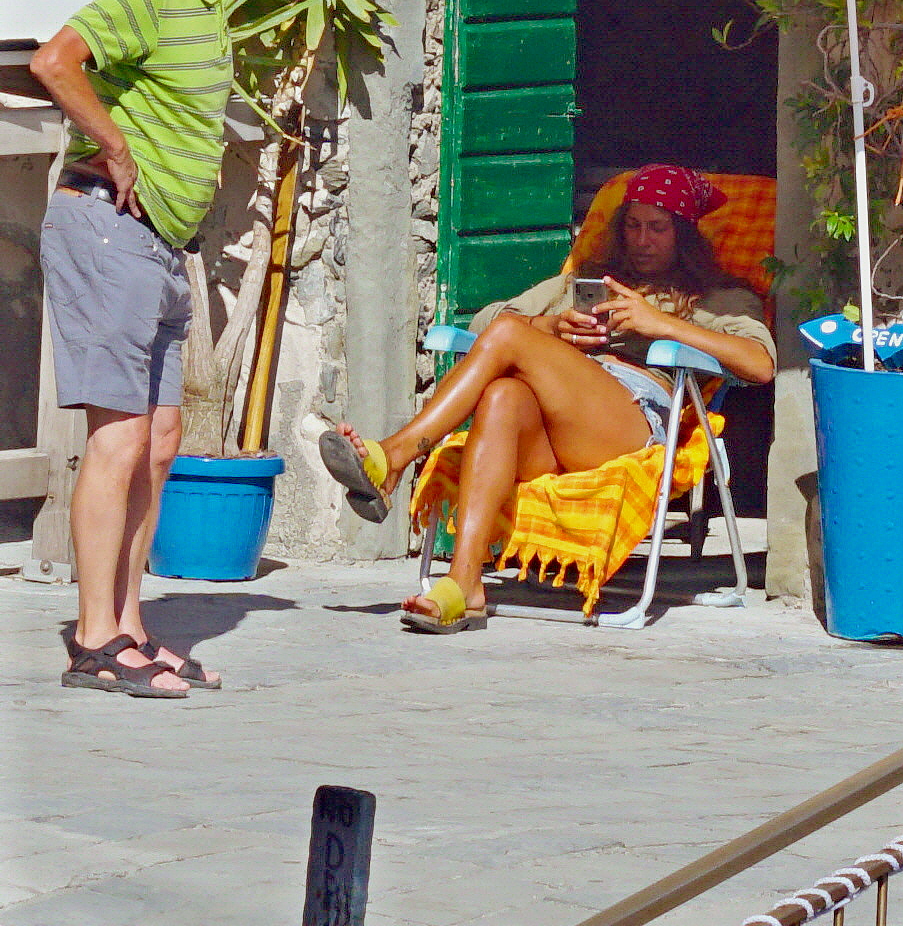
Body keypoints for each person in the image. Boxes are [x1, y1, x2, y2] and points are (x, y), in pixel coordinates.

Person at [32, 0, 289, 697]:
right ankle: (94, 639)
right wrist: (112, 144)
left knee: (162, 442)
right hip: (108, 228)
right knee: (120, 439)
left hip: (160, 245)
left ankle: (132, 624)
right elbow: (54, 60)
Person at [320, 163, 775, 634]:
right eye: (634, 225)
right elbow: (486, 324)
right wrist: (550, 328)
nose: (642, 240)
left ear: (684, 233)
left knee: (510, 338)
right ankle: (464, 586)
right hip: (559, 432)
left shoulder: (718, 295)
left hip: (633, 418)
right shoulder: (587, 281)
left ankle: (395, 457)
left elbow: (760, 364)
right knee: (503, 394)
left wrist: (660, 323)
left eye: (657, 228)